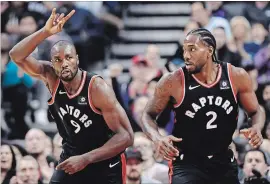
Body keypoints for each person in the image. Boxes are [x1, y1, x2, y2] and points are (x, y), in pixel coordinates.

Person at [9, 8, 134, 184]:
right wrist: (45, 32)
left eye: (68, 57)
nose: (64, 63)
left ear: (77, 59)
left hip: (105, 161)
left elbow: (127, 136)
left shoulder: (97, 87)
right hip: (71, 156)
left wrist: (86, 159)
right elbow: (16, 55)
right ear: (52, 63)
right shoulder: (50, 76)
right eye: (58, 60)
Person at [141, 28, 265, 184]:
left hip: (223, 161)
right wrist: (157, 138)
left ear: (209, 50)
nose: (186, 55)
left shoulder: (236, 76)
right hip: (187, 163)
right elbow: (147, 115)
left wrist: (257, 127)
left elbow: (255, 111)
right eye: (185, 50)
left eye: (192, 49)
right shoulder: (173, 81)